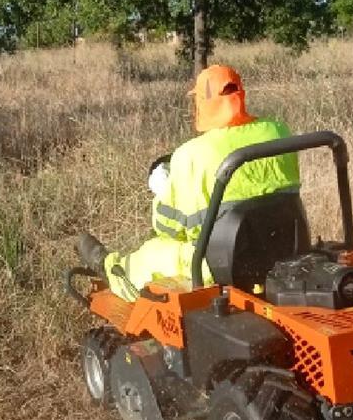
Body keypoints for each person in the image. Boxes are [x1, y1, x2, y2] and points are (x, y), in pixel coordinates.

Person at [77, 64, 300, 302]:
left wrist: (164, 188)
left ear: (203, 103)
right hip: (284, 248)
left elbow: (168, 227)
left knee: (152, 253)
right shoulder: (279, 132)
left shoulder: (191, 155)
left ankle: (112, 270)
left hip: (219, 265)